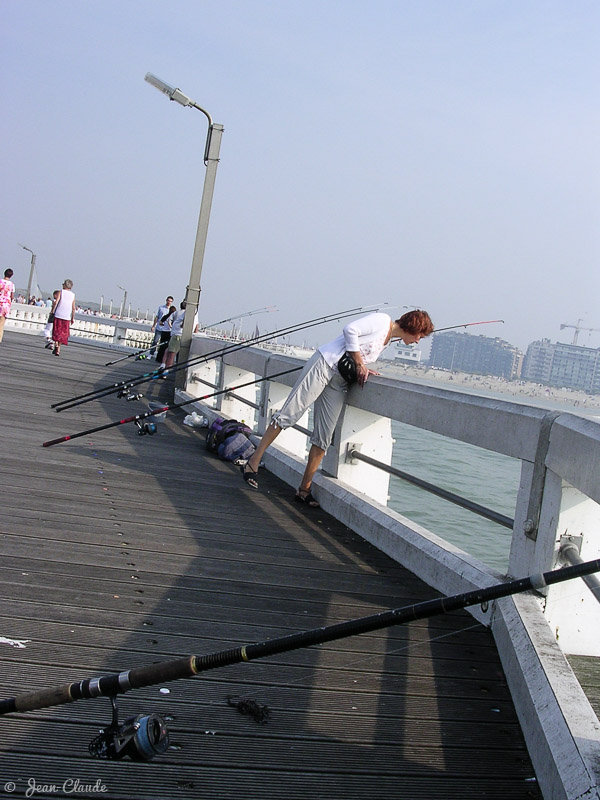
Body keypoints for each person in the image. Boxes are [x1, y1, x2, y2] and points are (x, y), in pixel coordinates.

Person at [240, 309, 434, 507]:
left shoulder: (388, 341)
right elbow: (350, 330)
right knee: (289, 415)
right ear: (414, 327)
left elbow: (359, 352)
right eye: (420, 335)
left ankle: (304, 489)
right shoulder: (382, 320)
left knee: (324, 436)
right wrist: (359, 362)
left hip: (340, 380)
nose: (418, 340)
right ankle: (253, 462)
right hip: (324, 365)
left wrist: (364, 365)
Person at [159, 300, 199, 376]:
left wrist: (174, 326)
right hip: (179, 335)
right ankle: (164, 367)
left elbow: (170, 321)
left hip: (177, 335)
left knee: (171, 354)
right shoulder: (193, 313)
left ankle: (165, 371)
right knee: (169, 351)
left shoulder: (186, 312)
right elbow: (196, 326)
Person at [50, 279, 76, 356]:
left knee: (56, 331)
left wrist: (52, 310)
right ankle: (59, 348)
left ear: (65, 285)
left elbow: (56, 302)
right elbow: (73, 308)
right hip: (67, 316)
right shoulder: (73, 295)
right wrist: (72, 318)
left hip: (58, 314)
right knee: (63, 333)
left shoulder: (61, 292)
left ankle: (56, 345)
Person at [150, 295, 174, 361]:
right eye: (168, 301)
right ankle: (151, 353)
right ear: (166, 300)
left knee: (163, 343)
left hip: (167, 329)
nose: (169, 302)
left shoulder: (172, 310)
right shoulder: (161, 308)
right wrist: (153, 326)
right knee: (155, 341)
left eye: (170, 301)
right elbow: (157, 317)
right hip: (159, 328)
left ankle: (161, 356)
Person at [0, 269, 15, 344]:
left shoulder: (0, 282)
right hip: (6, 305)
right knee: (1, 324)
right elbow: (12, 296)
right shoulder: (12, 284)